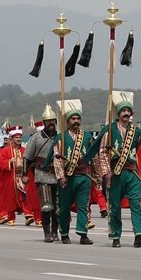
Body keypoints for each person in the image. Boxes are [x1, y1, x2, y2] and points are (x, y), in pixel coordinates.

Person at [90, 93, 141, 248]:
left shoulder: (137, 132)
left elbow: (136, 148)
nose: (126, 113)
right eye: (123, 110)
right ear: (118, 113)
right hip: (115, 173)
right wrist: (106, 172)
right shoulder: (109, 130)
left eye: (128, 110)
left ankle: (139, 235)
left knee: (136, 203)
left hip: (131, 172)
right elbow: (103, 151)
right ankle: (115, 236)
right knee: (115, 205)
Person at [51, 101, 96, 244]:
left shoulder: (87, 137)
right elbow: (57, 159)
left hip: (84, 176)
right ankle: (64, 233)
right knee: (64, 207)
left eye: (78, 119)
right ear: (68, 121)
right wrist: (60, 176)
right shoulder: (61, 138)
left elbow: (93, 157)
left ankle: (83, 234)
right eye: (73, 119)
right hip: (68, 177)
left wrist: (99, 174)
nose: (76, 121)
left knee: (83, 206)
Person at [24, 113, 60, 243]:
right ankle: (47, 232)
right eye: (48, 121)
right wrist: (24, 174)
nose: (51, 123)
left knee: (58, 206)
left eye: (52, 121)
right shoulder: (36, 138)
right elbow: (27, 158)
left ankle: (56, 231)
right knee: (46, 206)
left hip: (58, 174)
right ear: (44, 123)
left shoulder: (60, 136)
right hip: (42, 174)